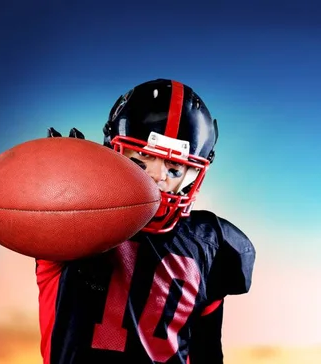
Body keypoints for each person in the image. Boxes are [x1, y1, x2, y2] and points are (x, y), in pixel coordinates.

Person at [36, 79, 256, 364]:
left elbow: (206, 349)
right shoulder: (78, 217)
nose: (157, 177)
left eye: (175, 168)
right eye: (141, 160)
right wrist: (64, 192)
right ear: (114, 150)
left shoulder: (212, 243)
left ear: (193, 176)